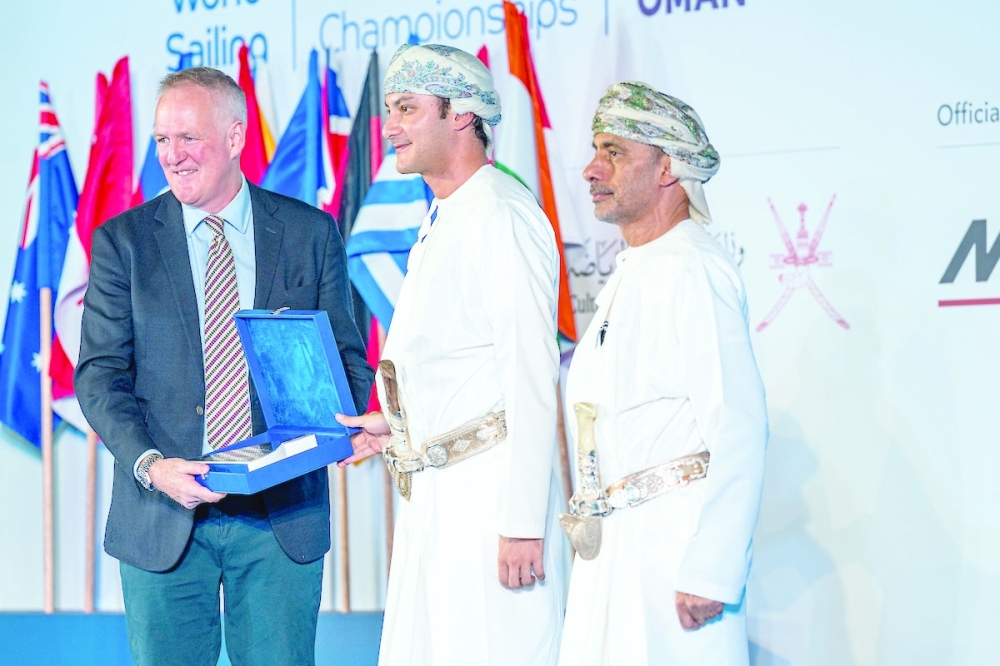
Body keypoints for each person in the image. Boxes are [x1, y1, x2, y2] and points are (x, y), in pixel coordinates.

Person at [74, 67, 371, 666]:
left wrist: (353, 424)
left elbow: (343, 359)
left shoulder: (310, 233)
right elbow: (99, 376)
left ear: (235, 138)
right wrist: (152, 467)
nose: (172, 156)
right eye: (161, 140)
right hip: (162, 512)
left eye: (188, 138)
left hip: (280, 515)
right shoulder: (121, 243)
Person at [335, 44, 564, 665]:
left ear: (461, 115)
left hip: (490, 508)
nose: (391, 126)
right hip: (436, 498)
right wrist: (394, 420)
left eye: (407, 108)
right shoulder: (448, 216)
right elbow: (454, 356)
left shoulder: (501, 214)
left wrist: (521, 523)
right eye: (388, 109)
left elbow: (531, 375)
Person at [557, 81, 769, 664]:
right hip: (613, 557)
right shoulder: (635, 270)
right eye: (596, 149)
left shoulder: (693, 268)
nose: (591, 170)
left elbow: (740, 425)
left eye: (614, 152)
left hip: (673, 559)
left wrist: (713, 567)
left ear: (669, 167)